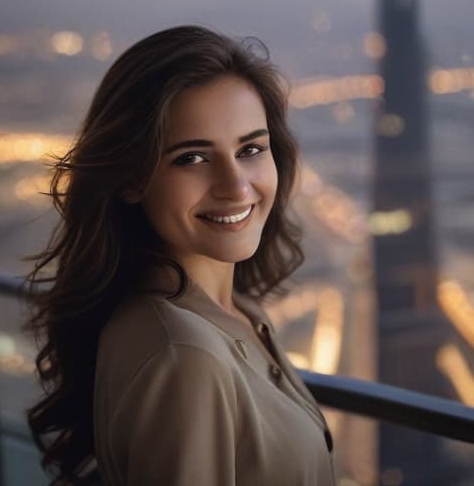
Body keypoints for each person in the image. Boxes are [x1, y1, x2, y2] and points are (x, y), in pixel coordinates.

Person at [24, 25, 338, 486]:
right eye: (192, 158)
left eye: (251, 148)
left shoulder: (234, 312)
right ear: (132, 178)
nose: (236, 187)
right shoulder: (185, 354)